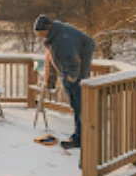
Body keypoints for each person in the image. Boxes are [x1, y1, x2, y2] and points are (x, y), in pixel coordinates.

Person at [34, 14, 95, 149]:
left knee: (79, 108)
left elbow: (72, 62)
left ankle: (80, 139)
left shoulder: (61, 40)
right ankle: (79, 136)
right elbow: (87, 43)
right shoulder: (58, 32)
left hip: (77, 78)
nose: (39, 36)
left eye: (40, 33)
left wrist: (70, 78)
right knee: (78, 108)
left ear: (47, 28)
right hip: (78, 75)